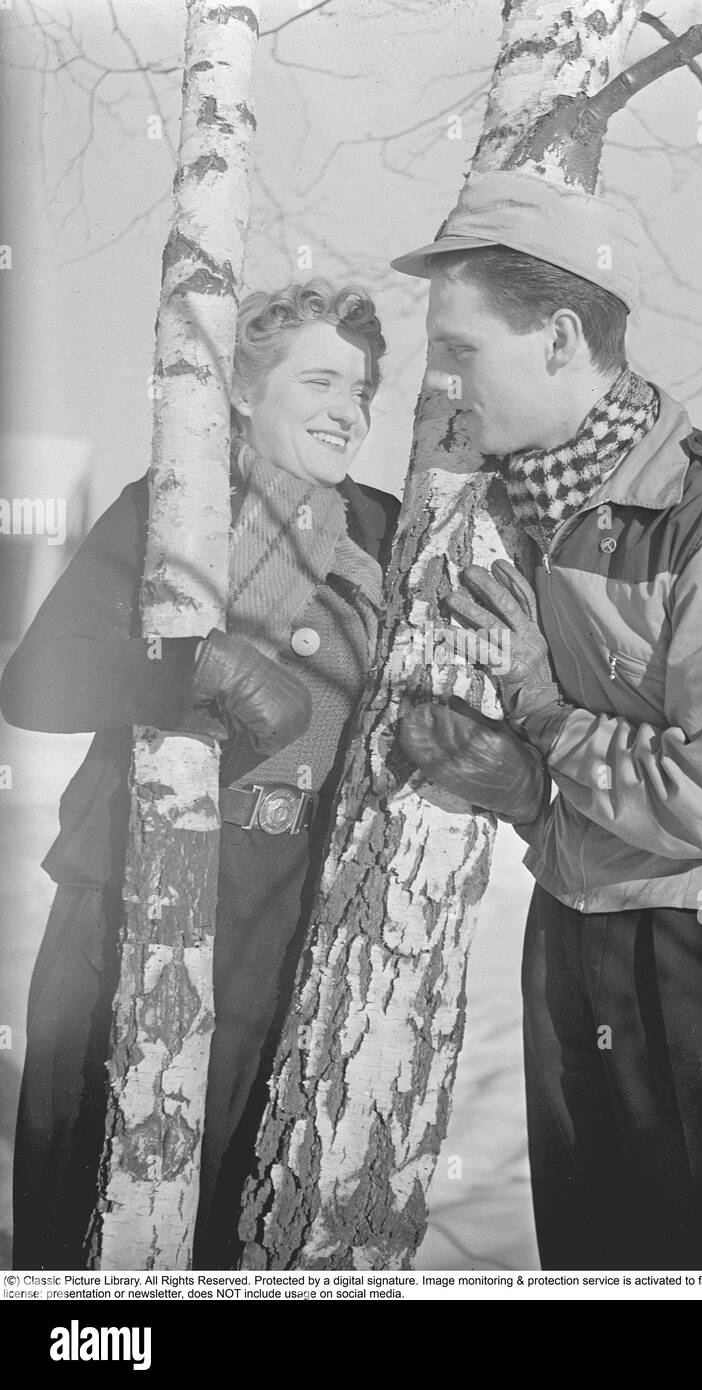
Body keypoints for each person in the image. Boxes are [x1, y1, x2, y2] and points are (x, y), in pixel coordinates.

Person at [393, 170, 702, 1270]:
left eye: (461, 349)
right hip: (578, 935)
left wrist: (547, 717)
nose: (441, 379)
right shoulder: (513, 511)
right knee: (598, 1263)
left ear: (559, 339)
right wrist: (521, 791)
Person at [1, 278, 400, 1270]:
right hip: (128, 888)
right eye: (320, 379)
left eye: (362, 389)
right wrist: (195, 666)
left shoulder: (388, 533)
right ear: (245, 395)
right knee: (91, 1190)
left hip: (285, 918)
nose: (348, 407)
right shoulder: (174, 510)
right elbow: (39, 679)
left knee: (229, 1200)